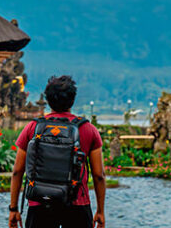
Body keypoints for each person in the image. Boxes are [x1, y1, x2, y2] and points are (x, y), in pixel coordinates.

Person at [9, 75, 105, 228]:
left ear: (48, 100)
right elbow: (99, 176)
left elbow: (17, 172)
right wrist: (100, 211)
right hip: (77, 205)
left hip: (40, 203)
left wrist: (13, 209)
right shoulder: (88, 129)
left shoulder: (33, 127)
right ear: (73, 99)